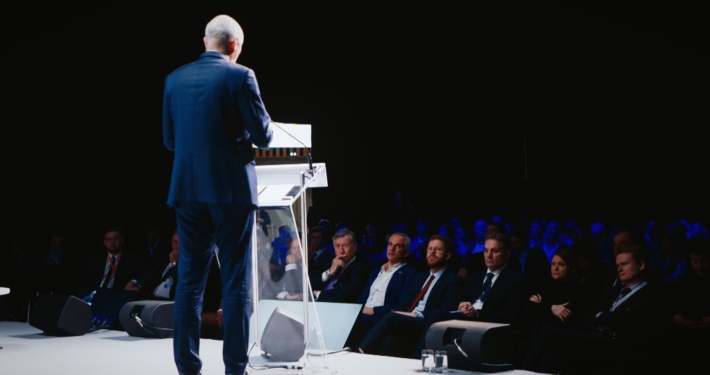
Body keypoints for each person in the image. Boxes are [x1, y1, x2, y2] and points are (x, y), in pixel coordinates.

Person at [163, 14, 272, 375]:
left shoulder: (173, 78)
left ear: (205, 40)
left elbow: (169, 140)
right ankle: (234, 370)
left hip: (187, 190)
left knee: (189, 283)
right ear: (235, 46)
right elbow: (263, 135)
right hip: (230, 192)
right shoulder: (241, 75)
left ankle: (187, 369)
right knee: (236, 283)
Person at [358, 235, 463, 358]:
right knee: (389, 340)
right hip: (408, 321)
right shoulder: (420, 277)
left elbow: (444, 312)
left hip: (425, 323)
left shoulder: (453, 280)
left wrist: (415, 314)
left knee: (390, 318)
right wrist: (399, 312)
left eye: (438, 250)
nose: (432, 253)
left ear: (448, 255)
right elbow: (405, 303)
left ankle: (360, 351)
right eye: (429, 249)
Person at [345, 232, 417, 348]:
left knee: (353, 323)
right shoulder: (375, 272)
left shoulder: (410, 274)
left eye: (398, 246)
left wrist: (374, 311)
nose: (392, 248)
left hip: (380, 317)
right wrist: (355, 310)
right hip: (363, 313)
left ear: (406, 252)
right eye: (390, 244)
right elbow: (362, 298)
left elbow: (402, 305)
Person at [312, 229, 370, 303]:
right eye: (337, 246)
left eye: (345, 246)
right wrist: (329, 272)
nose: (341, 251)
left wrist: (316, 293)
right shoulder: (329, 263)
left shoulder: (361, 267)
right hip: (316, 304)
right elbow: (309, 284)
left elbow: (343, 296)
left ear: (354, 247)